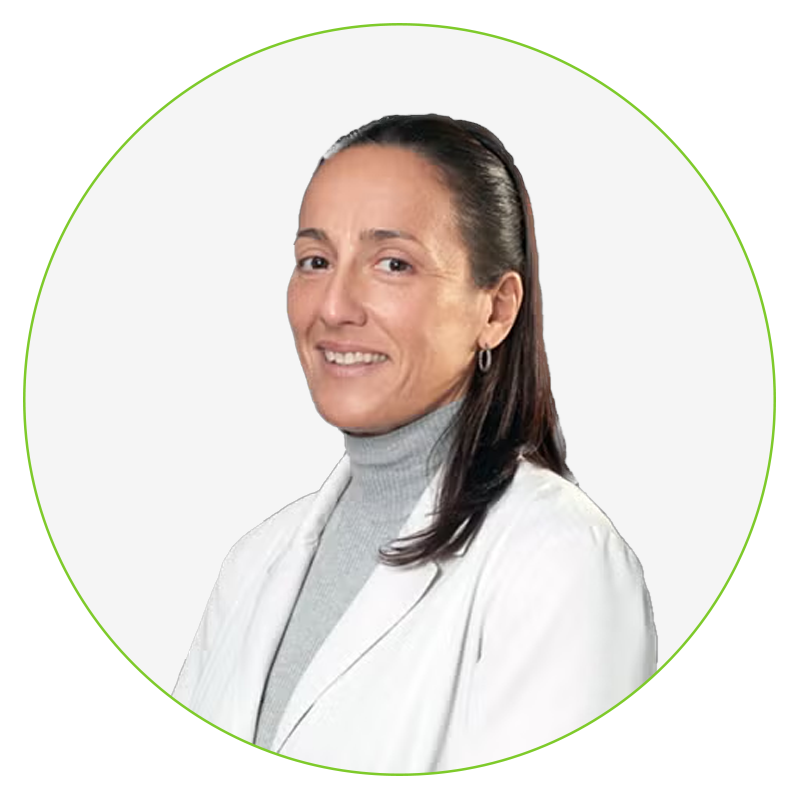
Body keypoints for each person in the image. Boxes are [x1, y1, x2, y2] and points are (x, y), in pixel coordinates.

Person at [139, 114, 659, 776]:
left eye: (393, 264)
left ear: (496, 309)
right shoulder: (253, 563)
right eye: (315, 261)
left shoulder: (559, 564)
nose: (334, 306)